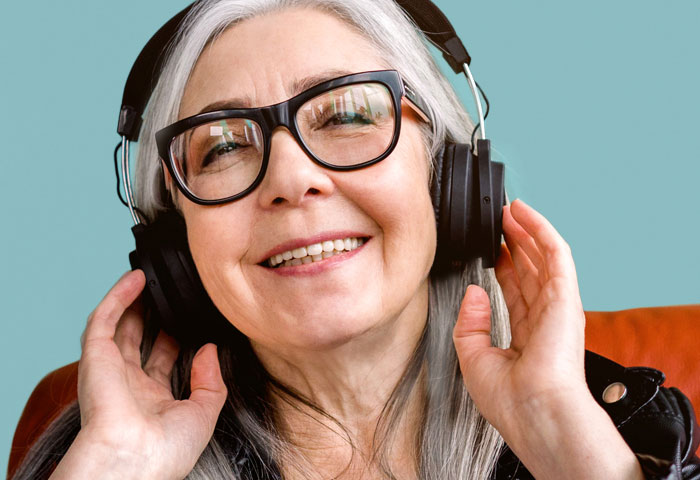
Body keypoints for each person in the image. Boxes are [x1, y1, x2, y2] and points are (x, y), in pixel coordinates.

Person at [11, 0, 700, 479]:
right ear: (174, 246)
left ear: (446, 174)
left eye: (345, 114)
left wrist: (570, 448)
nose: (290, 178)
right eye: (221, 147)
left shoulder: (634, 435)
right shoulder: (101, 453)